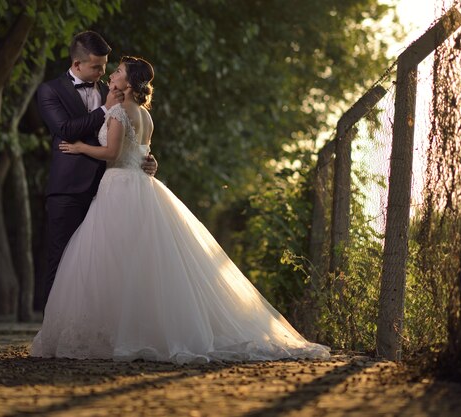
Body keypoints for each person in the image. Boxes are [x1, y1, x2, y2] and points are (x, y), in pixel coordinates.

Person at [30, 56, 330, 364]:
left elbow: (112, 153)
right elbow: (141, 152)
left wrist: (79, 147)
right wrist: (148, 161)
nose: (112, 74)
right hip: (140, 186)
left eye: (117, 71)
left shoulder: (119, 112)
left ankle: (125, 333)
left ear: (129, 84)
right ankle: (135, 329)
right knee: (138, 261)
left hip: (119, 186)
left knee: (114, 258)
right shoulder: (146, 116)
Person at [37, 31, 158, 308]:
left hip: (111, 190)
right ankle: (54, 330)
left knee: (104, 263)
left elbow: (130, 135)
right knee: (62, 259)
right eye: (97, 67)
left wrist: (147, 159)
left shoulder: (114, 90)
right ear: (77, 64)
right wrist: (104, 110)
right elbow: (65, 130)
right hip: (68, 190)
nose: (104, 73)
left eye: (106, 67)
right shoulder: (50, 90)